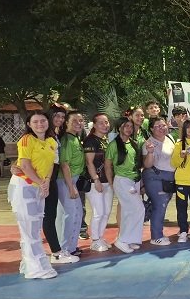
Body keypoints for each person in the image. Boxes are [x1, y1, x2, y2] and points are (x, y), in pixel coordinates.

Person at [8, 111, 61, 279]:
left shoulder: (52, 141)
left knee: (35, 228)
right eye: (35, 121)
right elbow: (24, 165)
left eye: (43, 120)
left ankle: (28, 263)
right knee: (28, 228)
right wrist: (40, 182)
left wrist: (45, 182)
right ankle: (34, 268)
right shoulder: (26, 140)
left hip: (39, 186)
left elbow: (51, 164)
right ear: (29, 124)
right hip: (24, 186)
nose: (40, 124)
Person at [104, 117, 145, 254]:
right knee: (138, 209)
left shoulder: (133, 143)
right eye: (125, 126)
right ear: (119, 127)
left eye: (130, 126)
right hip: (122, 181)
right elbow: (108, 166)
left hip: (134, 180)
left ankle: (129, 239)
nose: (128, 128)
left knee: (130, 211)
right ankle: (122, 240)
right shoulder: (113, 145)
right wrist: (111, 183)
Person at [56, 111, 86, 258]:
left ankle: (69, 246)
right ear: (66, 123)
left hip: (71, 179)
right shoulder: (67, 140)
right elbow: (64, 164)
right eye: (74, 121)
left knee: (71, 213)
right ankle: (66, 249)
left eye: (81, 120)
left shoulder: (75, 138)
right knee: (73, 214)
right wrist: (70, 186)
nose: (79, 123)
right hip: (66, 180)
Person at [142, 117, 176, 246]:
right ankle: (156, 236)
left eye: (163, 125)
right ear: (151, 129)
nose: (161, 128)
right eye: (157, 126)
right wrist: (150, 152)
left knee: (163, 205)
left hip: (169, 178)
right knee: (159, 205)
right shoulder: (149, 143)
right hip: (155, 177)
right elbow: (147, 164)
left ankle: (158, 233)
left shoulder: (170, 139)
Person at [84, 113, 113, 252]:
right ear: (94, 125)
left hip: (107, 181)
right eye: (101, 123)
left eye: (106, 122)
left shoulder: (106, 140)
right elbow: (89, 162)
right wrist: (95, 179)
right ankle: (95, 240)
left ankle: (100, 237)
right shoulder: (90, 141)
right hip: (95, 182)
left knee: (106, 212)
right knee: (98, 212)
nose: (104, 125)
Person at [44, 105, 69, 262]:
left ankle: (57, 250)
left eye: (62, 117)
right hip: (43, 180)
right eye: (56, 116)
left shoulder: (58, 134)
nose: (59, 119)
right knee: (47, 216)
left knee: (51, 215)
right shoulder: (44, 136)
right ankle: (56, 253)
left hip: (52, 179)